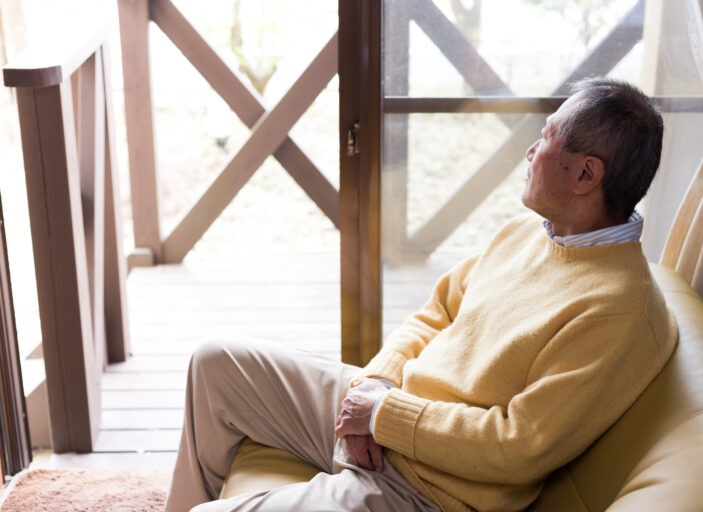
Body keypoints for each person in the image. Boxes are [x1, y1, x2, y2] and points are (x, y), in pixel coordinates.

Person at [164, 78, 677, 512]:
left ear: (586, 174)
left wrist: (383, 416)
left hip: (424, 489)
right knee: (216, 363)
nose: (530, 149)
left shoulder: (620, 311)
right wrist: (374, 386)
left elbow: (516, 446)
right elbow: (437, 310)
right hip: (389, 412)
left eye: (546, 137)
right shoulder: (532, 233)